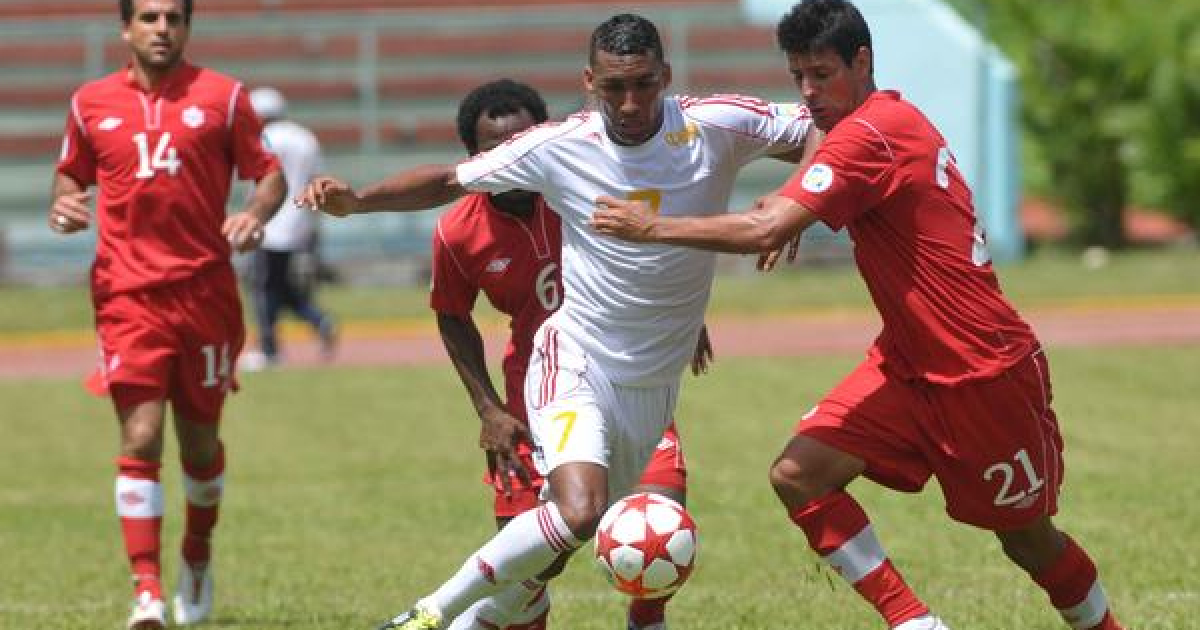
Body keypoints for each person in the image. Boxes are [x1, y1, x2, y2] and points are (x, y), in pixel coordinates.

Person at [589, 2, 1126, 629]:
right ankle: (914, 622)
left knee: (1028, 541)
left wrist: (653, 227)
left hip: (982, 369)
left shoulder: (874, 134)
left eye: (822, 74)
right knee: (800, 474)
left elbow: (766, 230)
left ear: (862, 61)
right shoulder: (869, 120)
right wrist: (794, 195)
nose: (809, 93)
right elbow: (816, 151)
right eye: (798, 78)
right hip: (905, 362)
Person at [298, 13, 819, 630]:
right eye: (613, 87)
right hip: (574, 357)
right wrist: (357, 203)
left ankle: (475, 622)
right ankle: (426, 615)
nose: (629, 103)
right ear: (588, 82)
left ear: (667, 76)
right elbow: (445, 180)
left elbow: (824, 126)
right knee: (579, 511)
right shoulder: (560, 145)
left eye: (644, 85)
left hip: (652, 383)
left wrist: (796, 203)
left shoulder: (716, 122)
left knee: (553, 551)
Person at [431, 78, 700, 630]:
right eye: (493, 151)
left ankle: (647, 620)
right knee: (532, 569)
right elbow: (452, 316)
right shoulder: (458, 232)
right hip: (533, 398)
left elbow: (649, 245)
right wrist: (488, 410)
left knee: (662, 508)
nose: (511, 159)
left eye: (521, 143)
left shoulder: (582, 188)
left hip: (621, 373)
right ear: (473, 158)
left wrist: (686, 317)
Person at [49, 0, 285, 627]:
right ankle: (147, 592)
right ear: (126, 27)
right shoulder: (89, 103)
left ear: (187, 27)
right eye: (149, 18)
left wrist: (254, 216)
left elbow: (268, 173)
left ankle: (197, 555)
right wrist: (67, 206)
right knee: (141, 435)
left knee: (200, 444)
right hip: (127, 296)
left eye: (174, 18)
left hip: (205, 294)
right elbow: (69, 176)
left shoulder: (224, 97)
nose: (162, 29)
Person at [243, 85, 336, 369]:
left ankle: (269, 350)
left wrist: (250, 215)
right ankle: (317, 320)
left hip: (269, 222)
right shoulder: (305, 138)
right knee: (278, 286)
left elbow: (259, 181)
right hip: (299, 221)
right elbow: (319, 180)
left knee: (263, 287)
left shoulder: (264, 138)